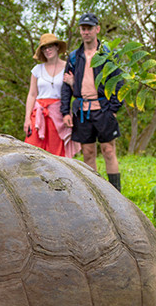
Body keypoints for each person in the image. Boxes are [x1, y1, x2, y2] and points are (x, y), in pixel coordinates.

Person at [61, 13, 124, 191]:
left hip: (103, 109)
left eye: (89, 28)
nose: (86, 31)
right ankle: (95, 192)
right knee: (88, 153)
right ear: (80, 31)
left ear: (97, 29)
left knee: (109, 151)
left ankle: (115, 193)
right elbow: (66, 85)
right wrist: (65, 111)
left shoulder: (108, 55)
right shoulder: (74, 57)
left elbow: (119, 81)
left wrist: (113, 108)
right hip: (82, 110)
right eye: (83, 28)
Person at [25, 33, 81, 158]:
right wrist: (27, 118)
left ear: (57, 47)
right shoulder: (37, 69)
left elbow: (77, 92)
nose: (48, 50)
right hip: (39, 112)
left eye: (50, 46)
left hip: (59, 112)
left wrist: (72, 83)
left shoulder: (68, 66)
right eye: (44, 48)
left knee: (57, 152)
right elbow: (32, 94)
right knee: (32, 149)